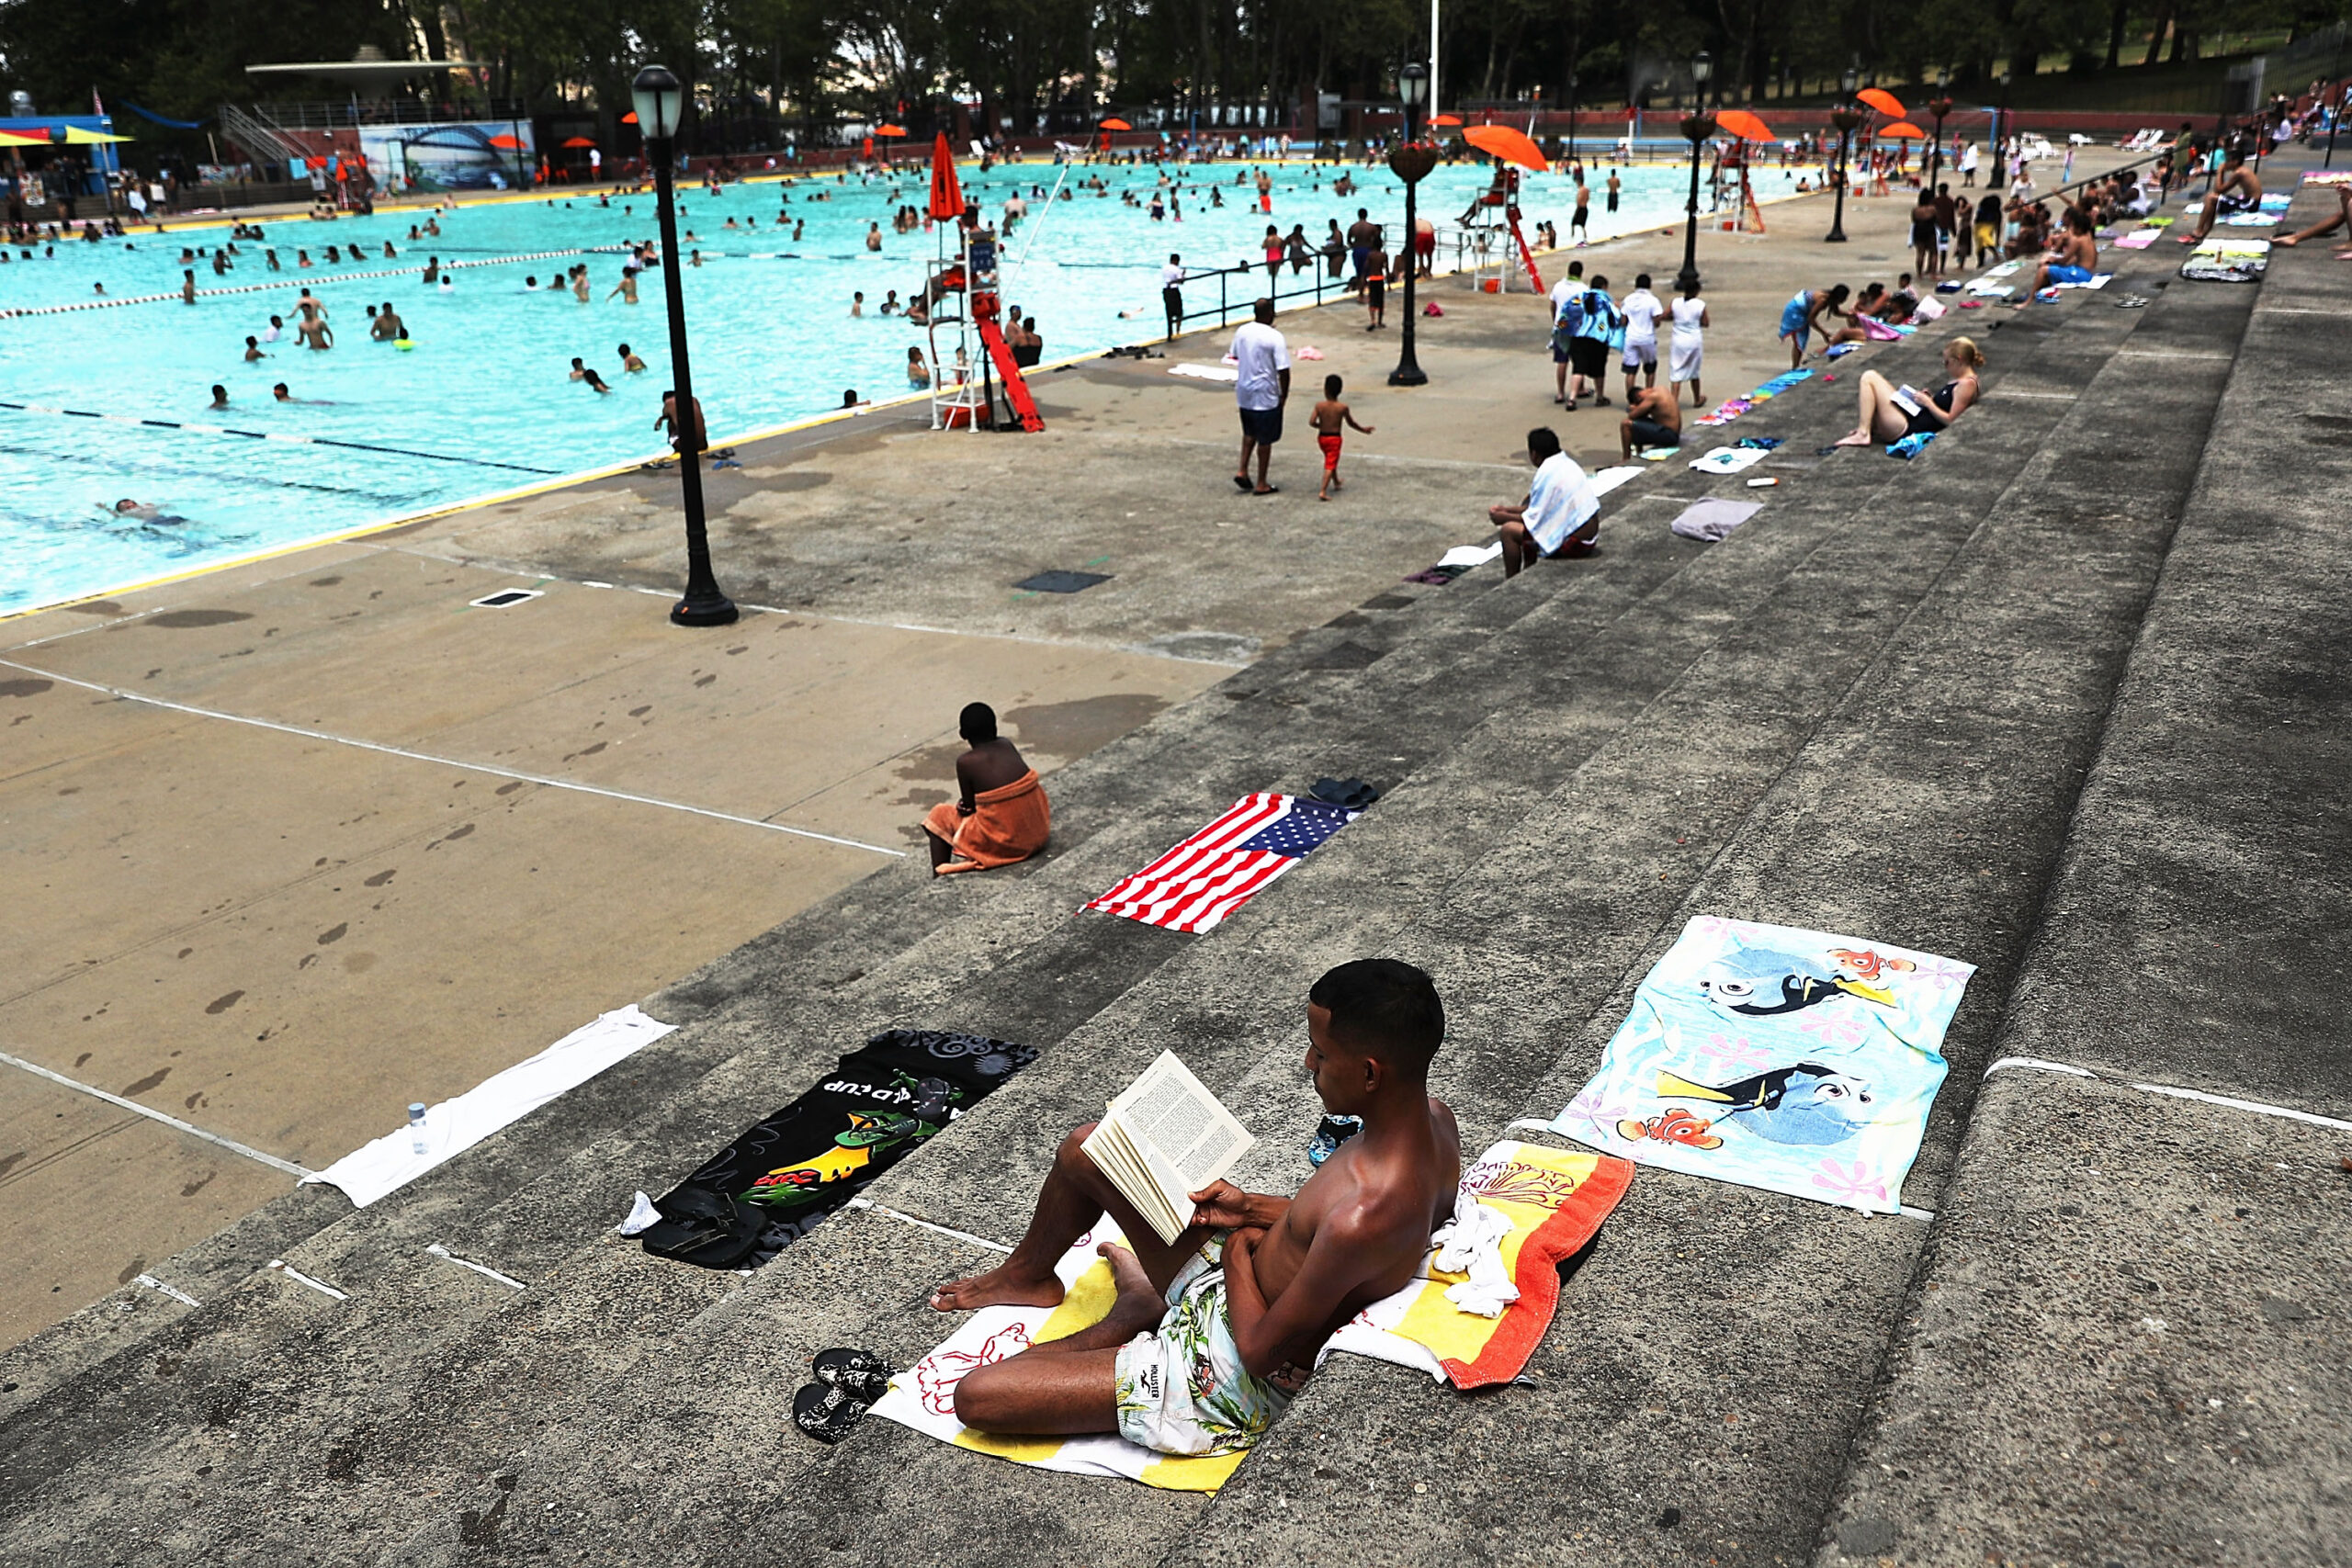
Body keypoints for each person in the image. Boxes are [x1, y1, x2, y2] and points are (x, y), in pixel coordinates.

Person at [935, 960, 1460, 1462]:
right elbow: (1349, 1238)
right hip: (1237, 1287)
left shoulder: (1366, 1213)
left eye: (1320, 1055)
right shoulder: (1435, 1121)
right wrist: (1249, 1208)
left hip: (1224, 1365)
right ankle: (1030, 1276)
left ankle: (1129, 1317)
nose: (1308, 1065)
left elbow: (1260, 1352)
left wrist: (1235, 1252)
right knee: (1088, 1148)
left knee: (978, 1396)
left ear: (1370, 1074)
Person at [920, 702, 1050, 874]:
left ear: (962, 734)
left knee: (939, 815)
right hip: (1037, 834)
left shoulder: (966, 762)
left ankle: (939, 876)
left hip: (1008, 843)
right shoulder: (1006, 744)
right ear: (995, 728)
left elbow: (969, 807)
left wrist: (962, 806)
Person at [1834, 336, 1984, 447]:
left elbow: (1951, 420)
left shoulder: (1967, 384)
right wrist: (1930, 399)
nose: (1945, 367)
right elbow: (1946, 405)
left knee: (1869, 377)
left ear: (1959, 360)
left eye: (1947, 362)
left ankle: (1863, 433)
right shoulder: (1961, 381)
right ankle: (1866, 428)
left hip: (1908, 429)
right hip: (1911, 420)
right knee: (1874, 381)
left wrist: (1929, 403)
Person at [1488, 425, 1601, 574]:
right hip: (1588, 537)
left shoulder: (1547, 473)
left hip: (1576, 544)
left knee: (1508, 531)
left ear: (1534, 454)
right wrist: (1506, 509)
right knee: (1525, 510)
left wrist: (1503, 518)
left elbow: (1535, 519)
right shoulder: (1565, 463)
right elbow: (1537, 508)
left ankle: (1511, 579)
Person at [1230, 298, 1290, 496]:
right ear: (1270, 313)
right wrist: (1283, 396)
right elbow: (1284, 370)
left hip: (1244, 391)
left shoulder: (1242, 331)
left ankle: (1243, 469)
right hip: (1265, 393)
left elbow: (1235, 355)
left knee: (1249, 433)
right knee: (1265, 439)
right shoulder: (1275, 337)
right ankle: (1261, 482)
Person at [1307, 373, 1374, 501]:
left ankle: (1336, 481)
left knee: (1330, 459)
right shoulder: (1342, 408)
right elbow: (1351, 423)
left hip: (1322, 438)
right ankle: (1323, 491)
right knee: (1330, 463)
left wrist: (1320, 426)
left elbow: (1311, 422)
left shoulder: (1319, 406)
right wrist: (1363, 430)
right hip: (1335, 438)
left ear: (1325, 390)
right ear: (1340, 391)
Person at [2177, 149, 2261, 244]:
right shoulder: (2241, 171)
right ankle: (2203, 231)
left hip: (2249, 204)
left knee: (2211, 198)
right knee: (2213, 199)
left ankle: (2199, 231)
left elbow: (2219, 189)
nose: (2225, 163)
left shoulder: (2239, 173)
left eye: (2228, 161)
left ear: (2235, 161)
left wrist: (2220, 171)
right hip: (2248, 201)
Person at [1566, 273, 1618, 409]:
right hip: (1598, 338)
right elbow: (1615, 316)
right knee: (1599, 368)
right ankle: (1600, 397)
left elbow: (1567, 313)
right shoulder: (1606, 299)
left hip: (1578, 337)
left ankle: (1572, 398)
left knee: (1578, 368)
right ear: (1604, 287)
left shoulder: (1580, 297)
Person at [2024, 209, 2100, 299]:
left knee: (2043, 270)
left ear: (2078, 228)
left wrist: (2053, 259)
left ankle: (2029, 299)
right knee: (2051, 269)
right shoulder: (2088, 237)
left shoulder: (2078, 240)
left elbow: (2064, 260)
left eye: (2074, 227)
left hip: (2081, 274)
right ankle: (2039, 292)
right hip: (2086, 272)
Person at [1617, 273, 1664, 402]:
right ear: (1650, 285)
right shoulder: (1653, 301)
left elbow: (1623, 320)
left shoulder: (1628, 299)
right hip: (1647, 338)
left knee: (1630, 370)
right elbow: (1657, 321)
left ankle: (1631, 400)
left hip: (1631, 337)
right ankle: (1649, 398)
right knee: (1650, 368)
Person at [1778, 285, 1849, 368]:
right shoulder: (1823, 300)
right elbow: (1811, 319)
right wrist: (1823, 333)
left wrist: (1850, 315)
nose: (1845, 300)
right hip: (1796, 312)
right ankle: (1795, 367)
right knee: (1799, 341)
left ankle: (1795, 366)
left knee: (1800, 341)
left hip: (1800, 311)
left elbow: (1836, 312)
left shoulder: (1831, 298)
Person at [1668, 281, 1708, 408]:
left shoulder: (1676, 302)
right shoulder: (1700, 304)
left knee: (1676, 371)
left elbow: (1667, 315)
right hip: (1694, 340)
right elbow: (1705, 322)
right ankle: (1697, 398)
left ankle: (1674, 400)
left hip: (1678, 340)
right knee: (1694, 371)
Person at [1621, 379, 1682, 460]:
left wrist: (1634, 408)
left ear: (1639, 396)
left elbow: (1632, 415)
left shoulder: (1653, 397)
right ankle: (1639, 452)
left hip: (1669, 435)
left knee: (1626, 424)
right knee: (1639, 421)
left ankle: (1626, 458)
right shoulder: (1661, 389)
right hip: (1670, 432)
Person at [657, 389, 707, 458]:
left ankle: (677, 448)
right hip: (703, 444)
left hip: (687, 447)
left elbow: (666, 414)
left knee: (670, 423)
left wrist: (660, 420)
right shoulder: (693, 399)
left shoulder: (668, 402)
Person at [1363, 240, 1388, 331]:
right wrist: (1388, 284)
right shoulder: (1383, 255)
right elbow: (1386, 269)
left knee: (1372, 300)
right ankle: (1380, 322)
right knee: (1380, 300)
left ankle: (1373, 320)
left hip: (1372, 279)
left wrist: (1364, 279)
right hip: (1380, 278)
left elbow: (1366, 267)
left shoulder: (1370, 255)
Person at [1161, 253, 1185, 338]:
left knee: (1169, 312)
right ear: (1176, 261)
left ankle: (1170, 333)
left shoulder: (1164, 268)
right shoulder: (1177, 269)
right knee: (1179, 312)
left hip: (1165, 291)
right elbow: (1181, 281)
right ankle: (1178, 331)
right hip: (1174, 291)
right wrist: (1183, 274)